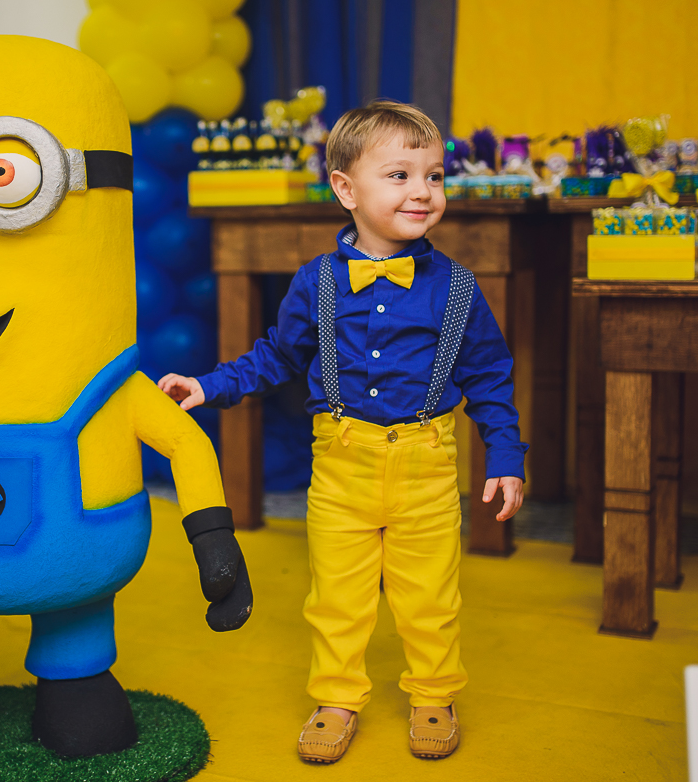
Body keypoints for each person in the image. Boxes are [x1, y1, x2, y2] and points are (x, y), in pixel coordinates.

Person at [158, 100, 526, 763]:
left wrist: (504, 455)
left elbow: (490, 375)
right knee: (336, 598)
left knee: (430, 598)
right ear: (346, 189)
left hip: (427, 465)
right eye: (399, 175)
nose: (423, 191)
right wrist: (210, 385)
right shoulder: (315, 283)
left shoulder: (459, 288)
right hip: (340, 464)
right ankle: (336, 698)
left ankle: (434, 693)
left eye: (434, 176)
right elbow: (277, 356)